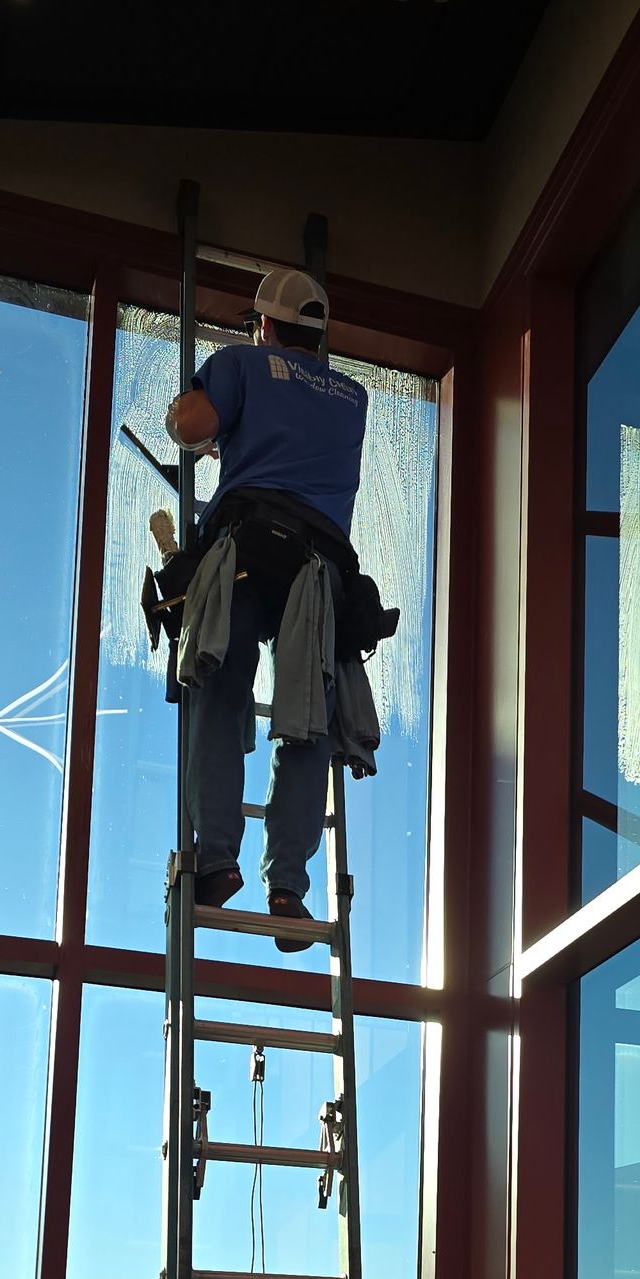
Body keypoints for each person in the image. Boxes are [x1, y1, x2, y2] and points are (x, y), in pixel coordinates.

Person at [164, 268, 369, 944]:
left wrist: (198, 401)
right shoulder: (351, 396)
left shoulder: (244, 362)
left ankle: (217, 858)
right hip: (320, 568)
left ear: (266, 324)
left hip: (251, 547)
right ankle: (289, 885)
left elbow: (191, 426)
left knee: (219, 686)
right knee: (307, 718)